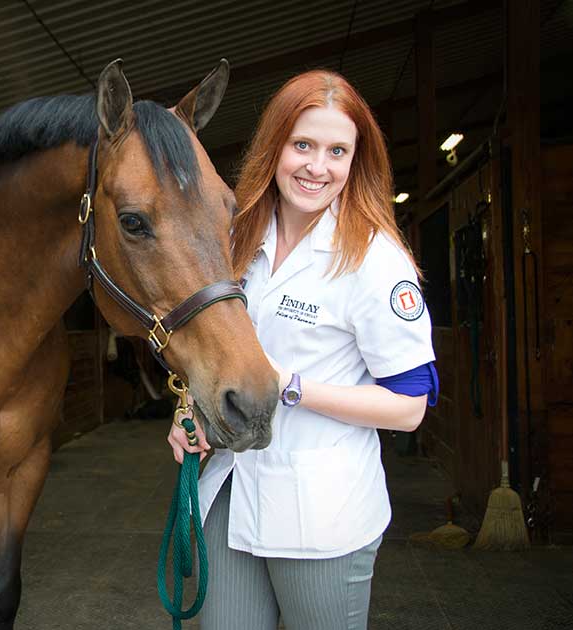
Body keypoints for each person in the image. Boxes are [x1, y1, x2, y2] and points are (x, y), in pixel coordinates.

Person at [166, 70, 438, 630]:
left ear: (355, 161)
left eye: (337, 151)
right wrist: (189, 413)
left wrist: (292, 386)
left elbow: (410, 407)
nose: (318, 167)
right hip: (231, 493)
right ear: (275, 147)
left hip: (321, 514)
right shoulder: (237, 235)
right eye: (303, 145)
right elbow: (217, 349)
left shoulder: (374, 259)